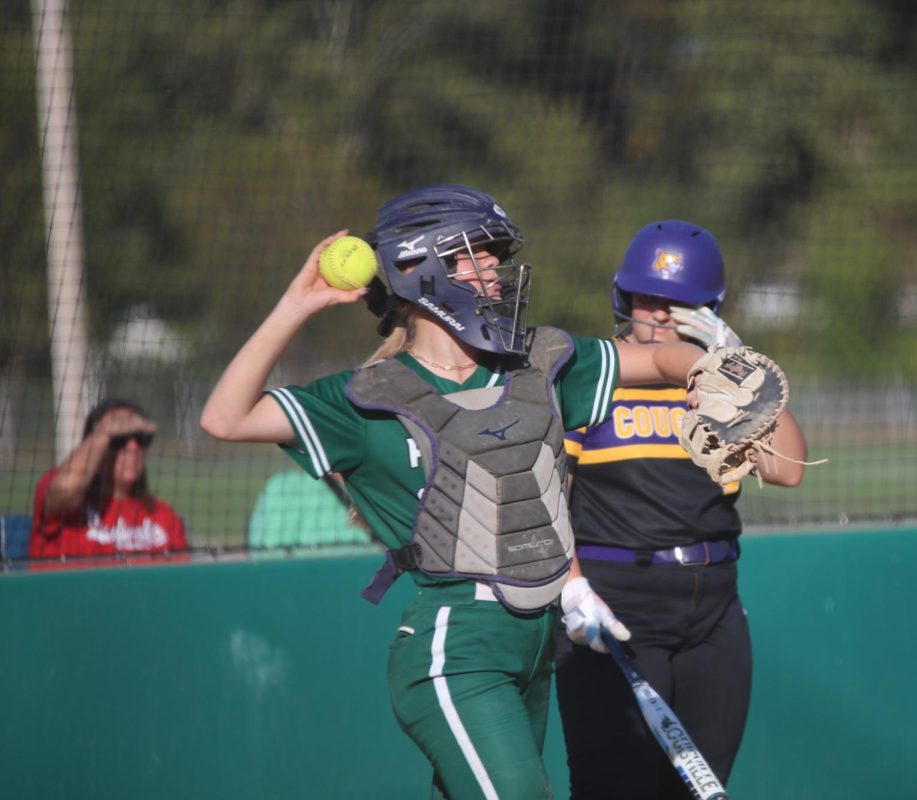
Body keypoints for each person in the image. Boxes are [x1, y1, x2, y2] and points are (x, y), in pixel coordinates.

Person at [199, 185, 706, 800]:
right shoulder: (366, 398)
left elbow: (658, 363)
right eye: (475, 254)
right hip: (455, 647)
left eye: (494, 254)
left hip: (539, 640)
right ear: (420, 269)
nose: (495, 268)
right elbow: (224, 418)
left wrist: (709, 369)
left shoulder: (536, 361)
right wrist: (295, 306)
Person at [555, 220, 813, 799]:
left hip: (714, 610)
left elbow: (789, 468)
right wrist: (570, 589)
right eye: (650, 299)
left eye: (681, 303)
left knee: (700, 788)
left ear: (709, 309)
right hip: (617, 605)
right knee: (613, 788)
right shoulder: (593, 376)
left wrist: (736, 360)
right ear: (625, 299)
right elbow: (551, 497)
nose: (663, 315)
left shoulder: (718, 387)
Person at [30, 398, 189, 560]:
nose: (133, 448)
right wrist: (104, 432)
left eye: (140, 438)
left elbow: (183, 579)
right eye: (119, 439)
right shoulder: (63, 499)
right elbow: (66, 489)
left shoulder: (162, 514)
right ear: (94, 444)